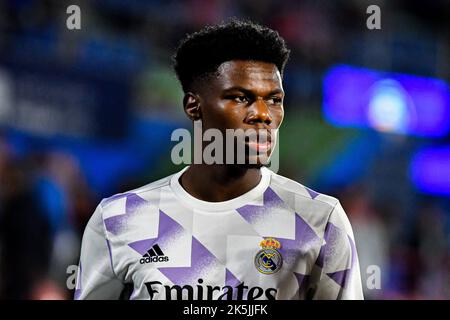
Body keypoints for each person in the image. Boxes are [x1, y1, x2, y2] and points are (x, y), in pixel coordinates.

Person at [75, 19, 363, 300]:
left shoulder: (320, 219)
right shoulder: (118, 218)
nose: (262, 113)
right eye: (240, 97)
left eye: (274, 100)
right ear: (193, 106)